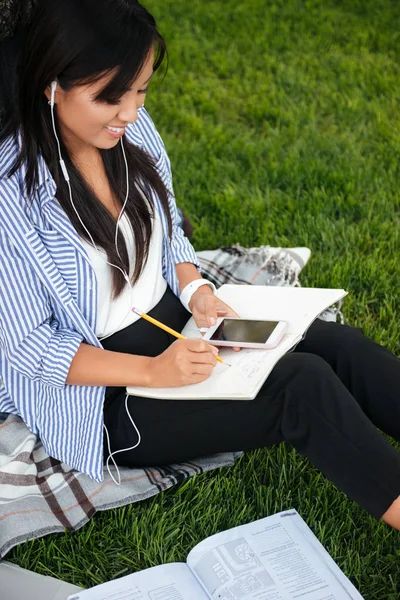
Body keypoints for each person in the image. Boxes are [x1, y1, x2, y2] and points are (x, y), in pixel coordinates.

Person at [0, 0, 399, 531]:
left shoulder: (129, 132)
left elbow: (169, 229)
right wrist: (153, 371)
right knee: (299, 388)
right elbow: (28, 346)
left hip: (177, 322)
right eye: (111, 97)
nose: (132, 111)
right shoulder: (13, 194)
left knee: (339, 348)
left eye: (141, 90)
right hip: (106, 393)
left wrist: (194, 290)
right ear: (51, 85)